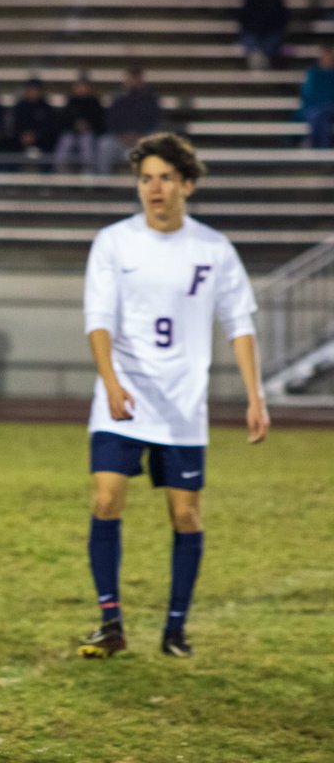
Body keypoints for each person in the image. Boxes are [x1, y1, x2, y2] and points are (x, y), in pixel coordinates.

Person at [78, 132, 270, 660]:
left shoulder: (213, 248)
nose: (153, 188)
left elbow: (239, 323)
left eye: (165, 178)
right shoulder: (114, 241)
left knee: (185, 515)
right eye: (145, 178)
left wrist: (256, 395)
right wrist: (112, 383)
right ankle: (111, 622)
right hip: (122, 400)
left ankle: (175, 628)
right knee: (105, 499)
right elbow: (98, 321)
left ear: (187, 184)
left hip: (183, 408)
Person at [95, 67, 163, 174]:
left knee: (155, 146)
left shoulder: (150, 98)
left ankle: (147, 185)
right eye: (132, 78)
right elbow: (111, 119)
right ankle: (103, 183)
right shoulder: (118, 97)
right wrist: (121, 134)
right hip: (120, 138)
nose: (134, 81)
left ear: (142, 78)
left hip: (142, 138)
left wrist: (138, 134)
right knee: (104, 144)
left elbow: (153, 120)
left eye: (137, 78)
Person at [237, 0, 290, 70]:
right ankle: (259, 61)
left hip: (270, 35)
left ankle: (260, 61)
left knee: (271, 42)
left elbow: (282, 18)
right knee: (251, 41)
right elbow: (243, 18)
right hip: (253, 34)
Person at [53, 73, 106, 173]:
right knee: (66, 140)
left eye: (84, 86)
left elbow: (100, 123)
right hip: (72, 134)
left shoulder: (94, 103)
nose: (81, 89)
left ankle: (88, 173)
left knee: (86, 141)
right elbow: (62, 122)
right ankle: (59, 171)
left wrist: (88, 126)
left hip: (89, 135)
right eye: (79, 86)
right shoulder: (71, 102)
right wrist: (75, 125)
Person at [12, 76, 59, 163]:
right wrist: (23, 136)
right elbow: (15, 126)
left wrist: (36, 136)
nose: (33, 92)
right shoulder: (20, 107)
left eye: (35, 89)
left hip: (42, 143)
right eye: (30, 89)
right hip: (21, 142)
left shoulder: (47, 108)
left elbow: (50, 128)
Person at [297, 43, 334, 149]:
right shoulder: (313, 73)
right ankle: (322, 148)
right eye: (325, 56)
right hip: (318, 108)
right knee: (317, 115)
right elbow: (307, 94)